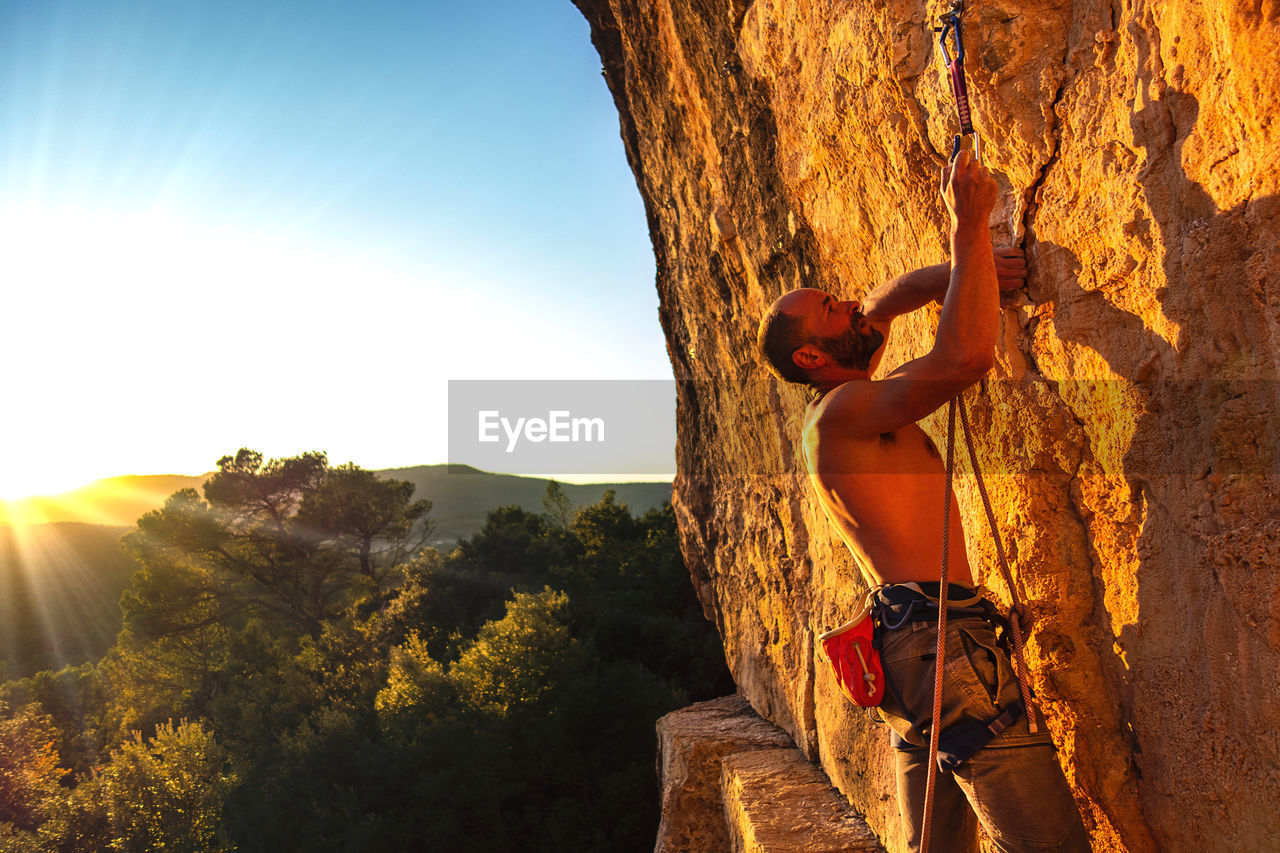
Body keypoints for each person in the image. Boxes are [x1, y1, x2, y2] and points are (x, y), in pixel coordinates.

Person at [755, 149, 1090, 853]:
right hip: (943, 646)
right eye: (830, 309)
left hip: (916, 645)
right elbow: (965, 358)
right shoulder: (847, 410)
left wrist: (958, 274)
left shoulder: (845, 403)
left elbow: (882, 303)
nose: (850, 304)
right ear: (814, 357)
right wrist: (967, 226)